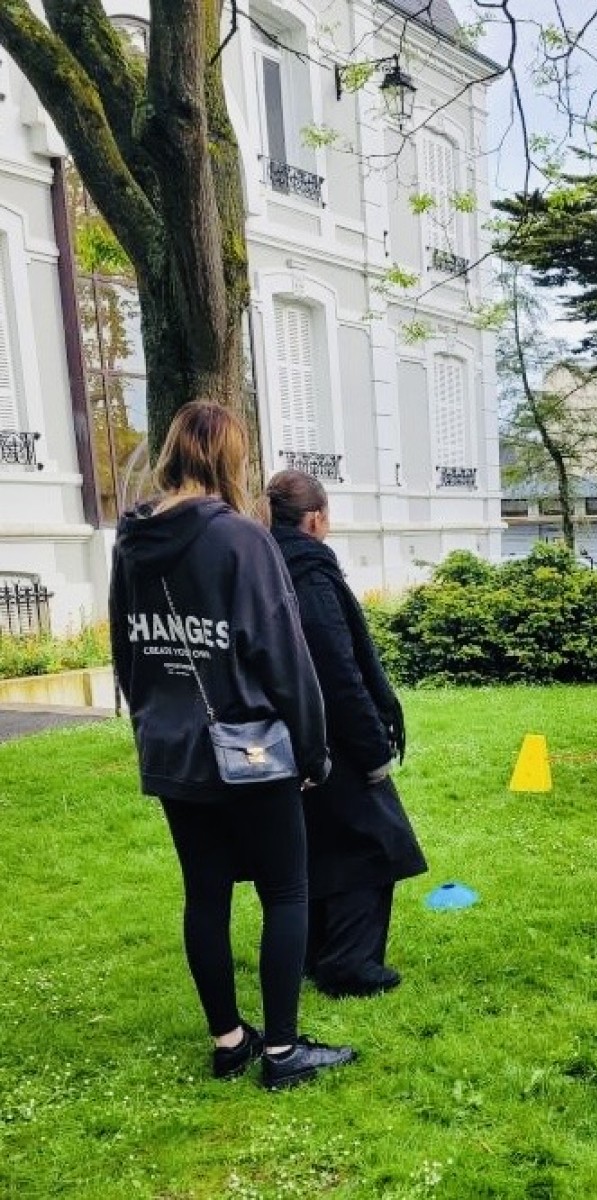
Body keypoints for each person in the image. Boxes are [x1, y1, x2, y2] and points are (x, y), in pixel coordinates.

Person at [109, 401, 355, 1090]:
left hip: (171, 747)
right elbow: (284, 653)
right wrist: (313, 749)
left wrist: (152, 723)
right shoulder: (243, 539)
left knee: (205, 895)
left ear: (172, 454)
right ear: (231, 459)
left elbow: (127, 649)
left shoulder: (131, 539)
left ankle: (228, 1041)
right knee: (286, 891)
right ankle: (281, 1052)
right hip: (251, 749)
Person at [265, 470, 428, 998]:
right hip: (329, 735)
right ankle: (350, 963)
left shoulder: (264, 564)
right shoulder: (309, 573)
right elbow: (336, 669)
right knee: (374, 845)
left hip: (289, 732)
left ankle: (317, 954)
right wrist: (372, 747)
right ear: (315, 518)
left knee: (322, 842)